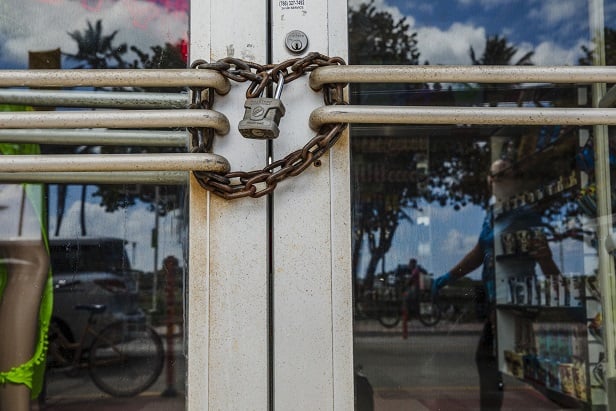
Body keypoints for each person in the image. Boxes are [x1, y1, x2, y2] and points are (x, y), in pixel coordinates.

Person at [431, 158, 560, 411]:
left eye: (503, 175)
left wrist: (555, 281)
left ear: (515, 180)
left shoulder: (524, 215)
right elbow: (479, 252)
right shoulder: (492, 215)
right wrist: (448, 277)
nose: (496, 181)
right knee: (503, 363)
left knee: (506, 363)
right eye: (493, 176)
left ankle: (571, 399)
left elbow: (543, 256)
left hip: (515, 303)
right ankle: (567, 397)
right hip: (496, 305)